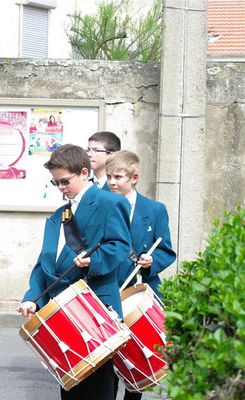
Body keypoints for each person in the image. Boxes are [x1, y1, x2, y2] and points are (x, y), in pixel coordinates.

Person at [17, 144, 131, 400]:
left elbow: (121, 246)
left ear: (83, 172)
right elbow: (45, 262)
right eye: (55, 182)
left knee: (99, 389)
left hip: (96, 306)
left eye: (65, 181)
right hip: (62, 310)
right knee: (70, 388)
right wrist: (32, 297)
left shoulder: (110, 202)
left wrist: (92, 260)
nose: (61, 188)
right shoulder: (60, 214)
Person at [106, 150, 176, 400]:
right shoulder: (101, 203)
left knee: (136, 358)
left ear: (134, 178)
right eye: (109, 177)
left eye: (118, 177)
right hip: (109, 289)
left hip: (140, 292)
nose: (112, 182)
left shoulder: (155, 209)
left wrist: (151, 261)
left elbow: (167, 250)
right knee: (108, 362)